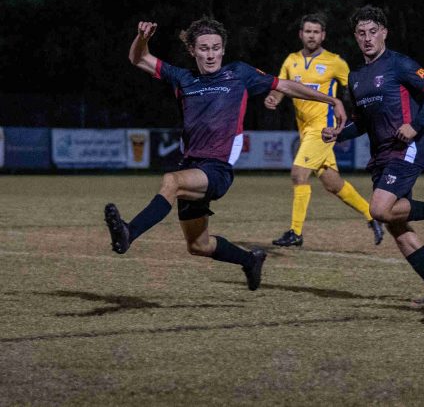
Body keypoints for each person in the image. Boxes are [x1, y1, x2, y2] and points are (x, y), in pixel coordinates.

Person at [104, 17, 346, 292]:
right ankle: (250, 260)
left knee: (171, 181)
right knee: (198, 245)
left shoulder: (239, 74)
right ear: (192, 50)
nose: (210, 55)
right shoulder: (183, 78)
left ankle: (129, 233)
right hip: (192, 166)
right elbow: (138, 58)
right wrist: (142, 38)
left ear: (223, 50)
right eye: (204, 48)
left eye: (216, 48)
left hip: (217, 170)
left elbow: (285, 85)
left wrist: (331, 99)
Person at [322, 5, 424, 304]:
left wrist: (416, 125)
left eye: (373, 32)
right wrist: (339, 133)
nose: (367, 38)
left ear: (384, 33)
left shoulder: (398, 63)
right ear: (355, 37)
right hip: (380, 157)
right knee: (396, 225)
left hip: (405, 150)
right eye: (361, 33)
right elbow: (362, 122)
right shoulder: (356, 77)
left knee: (379, 209)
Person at [264, 13, 384, 247]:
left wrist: (366, 109)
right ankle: (371, 215)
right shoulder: (291, 60)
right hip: (304, 130)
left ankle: (295, 233)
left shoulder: (334, 62)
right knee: (333, 184)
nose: (312, 36)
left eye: (316, 32)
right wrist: (273, 98)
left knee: (299, 174)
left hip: (322, 130)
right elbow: (281, 86)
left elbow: (356, 86)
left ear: (323, 35)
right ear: (301, 34)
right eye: (308, 31)